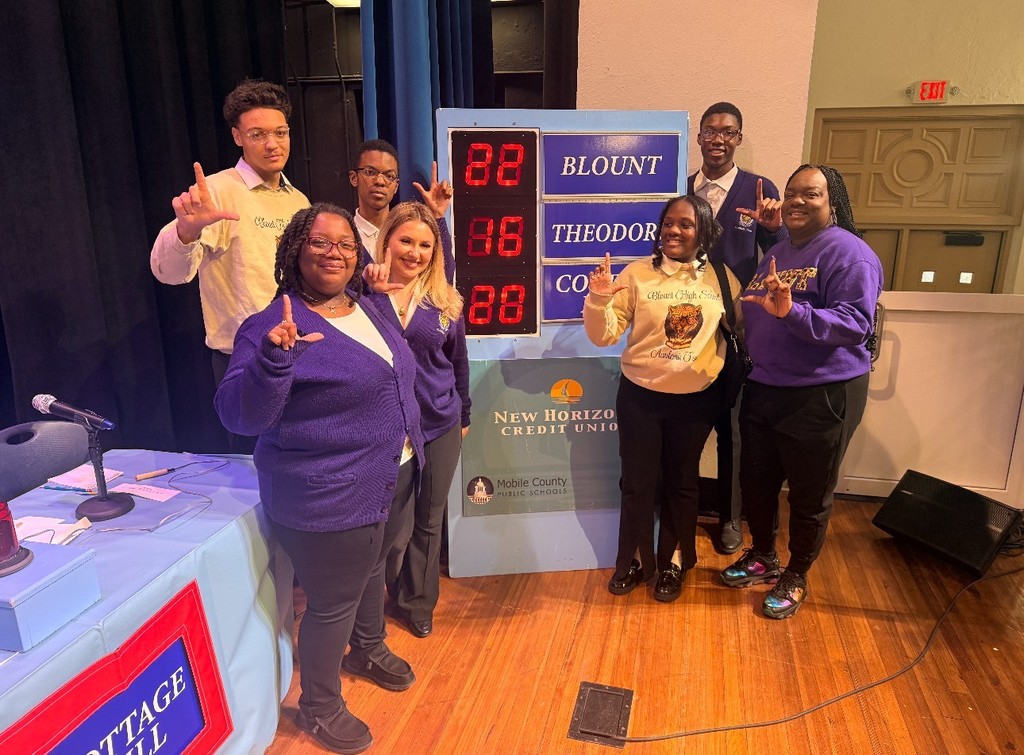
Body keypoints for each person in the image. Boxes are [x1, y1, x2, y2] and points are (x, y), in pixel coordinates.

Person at [215, 203, 424, 753]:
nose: (334, 252)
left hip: (391, 475)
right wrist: (273, 363)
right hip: (327, 493)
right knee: (332, 602)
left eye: (346, 245)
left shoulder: (368, 306)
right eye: (320, 242)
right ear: (294, 250)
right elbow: (239, 416)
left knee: (375, 571)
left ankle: (369, 646)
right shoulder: (270, 326)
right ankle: (320, 704)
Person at [719, 164, 883, 620]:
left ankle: (797, 573)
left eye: (810, 194)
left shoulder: (850, 254)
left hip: (822, 393)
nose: (795, 200)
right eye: (791, 192)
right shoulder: (783, 250)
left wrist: (794, 314)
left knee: (809, 493)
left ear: (833, 203)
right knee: (757, 482)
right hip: (766, 385)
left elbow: (855, 324)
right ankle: (763, 556)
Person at [583, 195, 741, 602]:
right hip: (640, 398)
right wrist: (599, 297)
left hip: (695, 402)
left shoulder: (723, 279)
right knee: (637, 484)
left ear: (703, 230)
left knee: (682, 485)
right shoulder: (636, 275)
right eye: (668, 223)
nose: (673, 230)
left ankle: (672, 561)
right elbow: (604, 334)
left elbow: (739, 330)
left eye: (685, 224)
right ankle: (632, 560)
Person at [150, 79, 310, 452]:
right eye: (258, 134)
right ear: (238, 137)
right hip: (246, 360)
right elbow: (168, 272)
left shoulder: (299, 199)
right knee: (253, 473)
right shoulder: (219, 192)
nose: (272, 144)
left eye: (280, 132)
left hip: (299, 354)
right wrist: (186, 232)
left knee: (297, 466)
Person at [362, 202, 470, 639]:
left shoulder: (445, 299)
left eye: (426, 244)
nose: (415, 252)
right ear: (386, 239)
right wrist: (366, 286)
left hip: (440, 424)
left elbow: (457, 363)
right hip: (389, 431)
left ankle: (417, 602)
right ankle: (381, 594)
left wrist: (463, 413)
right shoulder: (362, 295)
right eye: (405, 240)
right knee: (392, 527)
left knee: (429, 520)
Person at [688, 101, 783, 554]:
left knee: (732, 430)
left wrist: (773, 231)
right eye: (710, 131)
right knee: (684, 425)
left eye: (728, 132)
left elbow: (782, 255)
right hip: (684, 327)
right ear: (700, 137)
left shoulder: (759, 190)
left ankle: (729, 517)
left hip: (735, 331)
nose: (718, 139)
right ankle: (680, 510)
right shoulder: (682, 187)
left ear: (739, 138)